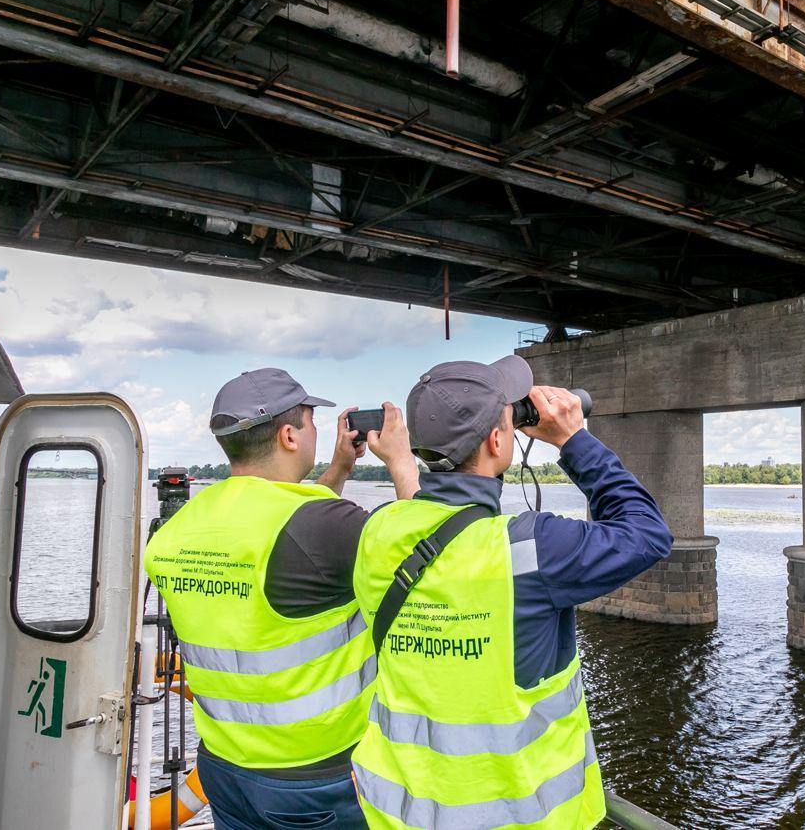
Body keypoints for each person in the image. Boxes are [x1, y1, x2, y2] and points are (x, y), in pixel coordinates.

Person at [349, 355, 674, 829]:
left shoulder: (377, 531)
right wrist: (573, 439)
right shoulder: (531, 547)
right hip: (519, 816)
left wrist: (402, 461)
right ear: (498, 441)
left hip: (400, 811)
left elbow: (425, 518)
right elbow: (647, 533)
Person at [143, 368, 419, 829]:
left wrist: (339, 470)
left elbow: (292, 531)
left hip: (224, 768)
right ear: (289, 436)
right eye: (310, 423)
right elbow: (430, 558)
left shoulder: (174, 532)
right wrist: (402, 462)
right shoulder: (325, 526)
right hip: (317, 776)